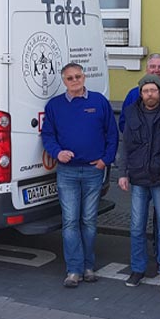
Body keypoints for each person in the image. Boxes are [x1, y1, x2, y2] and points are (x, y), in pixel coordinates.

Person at [41, 63, 118, 288]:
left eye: (78, 76)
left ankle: (88, 266)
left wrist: (106, 160)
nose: (75, 81)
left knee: (89, 221)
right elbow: (47, 135)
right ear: (64, 81)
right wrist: (57, 152)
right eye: (70, 78)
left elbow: (112, 134)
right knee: (70, 221)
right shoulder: (54, 106)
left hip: (94, 171)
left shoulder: (99, 102)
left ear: (84, 77)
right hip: (67, 172)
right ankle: (73, 270)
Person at [117, 74, 160, 289]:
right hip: (137, 177)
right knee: (136, 226)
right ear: (141, 93)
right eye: (145, 91)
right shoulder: (131, 111)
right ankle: (137, 269)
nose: (149, 94)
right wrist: (123, 172)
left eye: (153, 90)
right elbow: (125, 145)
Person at [119, 53, 160, 131]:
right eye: (152, 66)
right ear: (146, 70)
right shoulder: (134, 94)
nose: (156, 70)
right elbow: (123, 123)